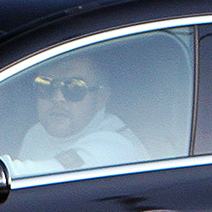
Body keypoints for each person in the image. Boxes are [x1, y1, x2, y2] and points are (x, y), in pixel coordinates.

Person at [11, 51, 148, 175]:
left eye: (74, 88)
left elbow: (28, 175)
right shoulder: (36, 133)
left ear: (101, 98)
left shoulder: (115, 146)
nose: (58, 98)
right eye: (46, 86)